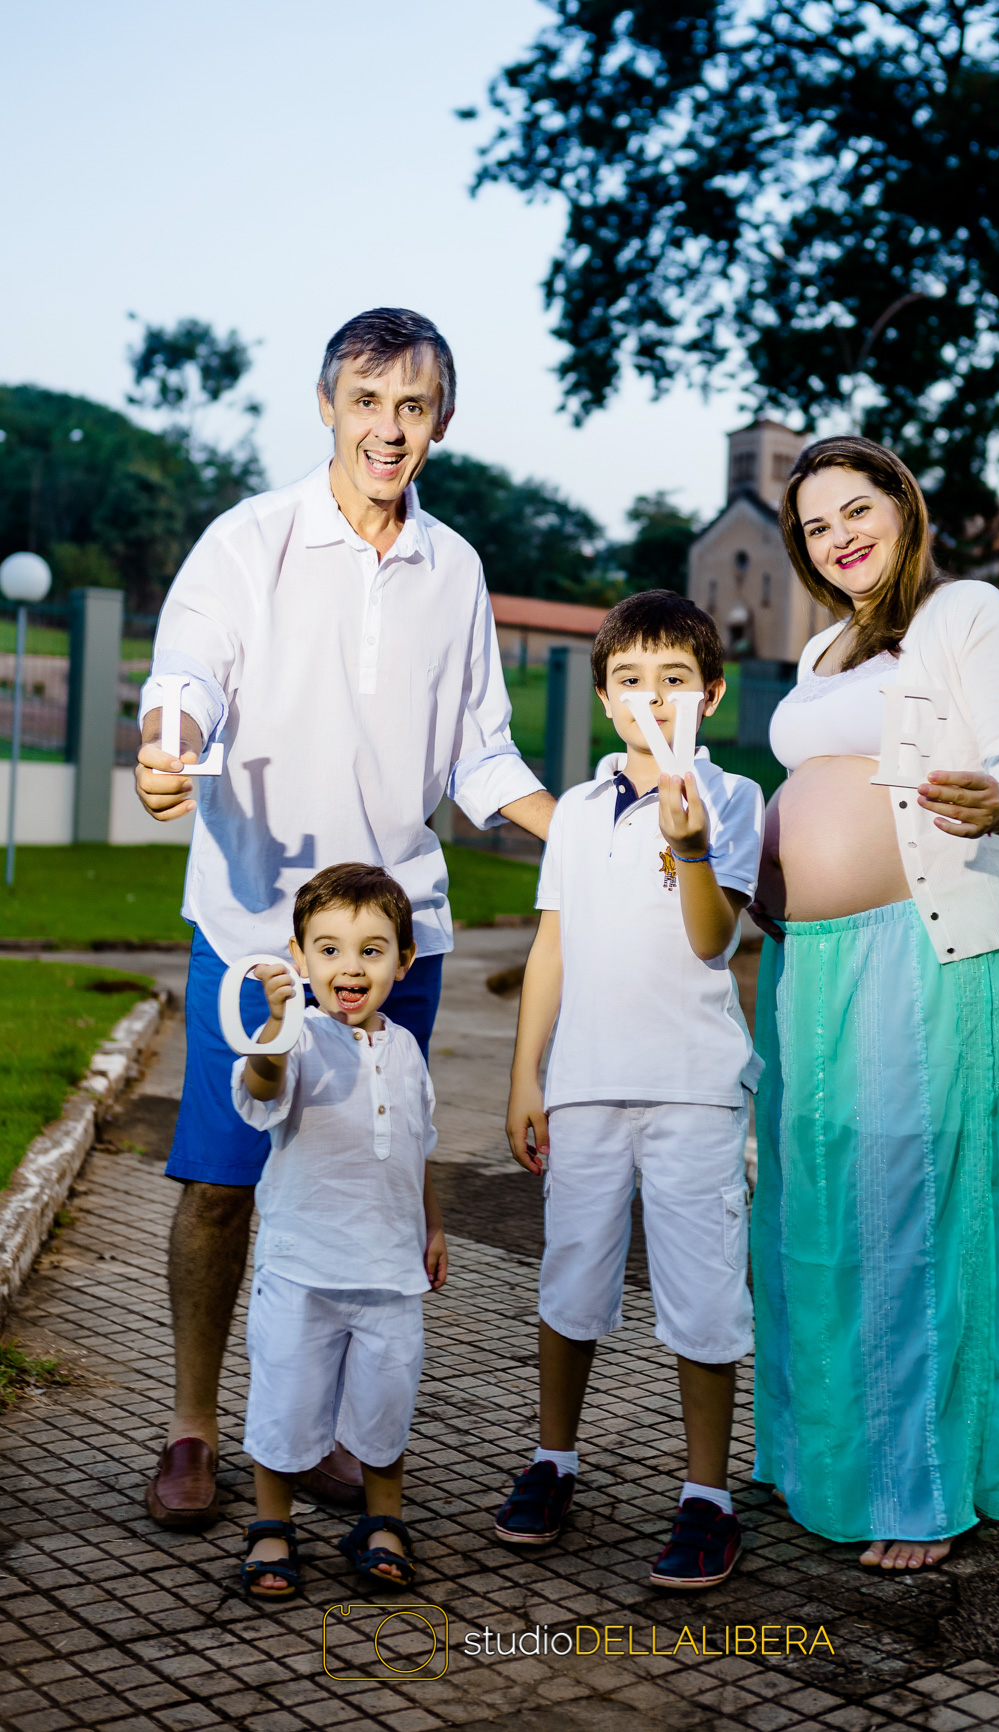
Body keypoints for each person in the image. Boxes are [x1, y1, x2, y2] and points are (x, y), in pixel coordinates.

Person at [134, 308, 555, 1529]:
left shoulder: (455, 569)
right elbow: (186, 677)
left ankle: (315, 1433)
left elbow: (479, 752)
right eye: (367, 400)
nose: (388, 427)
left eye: (412, 405)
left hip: (394, 934)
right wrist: (167, 747)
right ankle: (195, 1427)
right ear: (328, 405)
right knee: (223, 1184)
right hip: (258, 935)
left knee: (365, 1197)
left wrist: (582, 829)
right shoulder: (249, 540)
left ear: (442, 421)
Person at [749, 435, 999, 1570]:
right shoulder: (823, 646)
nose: (838, 536)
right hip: (806, 959)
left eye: (855, 509)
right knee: (810, 1213)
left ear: (902, 505)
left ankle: (916, 1488)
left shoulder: (964, 612)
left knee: (908, 1213)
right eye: (815, 525)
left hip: (918, 948)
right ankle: (819, 1459)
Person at [498, 592, 764, 1589]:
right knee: (570, 1277)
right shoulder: (574, 811)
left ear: (711, 694)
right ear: (606, 699)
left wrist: (688, 843)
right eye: (630, 679)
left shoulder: (735, 799)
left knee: (702, 1291)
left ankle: (707, 1497)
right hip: (585, 1085)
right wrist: (525, 1075)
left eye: (674, 678)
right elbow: (551, 948)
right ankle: (552, 1460)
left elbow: (712, 939)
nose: (652, 697)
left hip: (693, 1088)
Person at [231, 863, 447, 1599]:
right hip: (302, 1270)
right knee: (286, 1402)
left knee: (385, 1407)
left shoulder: (407, 1050)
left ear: (403, 961)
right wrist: (273, 1027)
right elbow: (262, 1086)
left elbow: (417, 1145)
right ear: (298, 957)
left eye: (371, 950)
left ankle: (382, 1521)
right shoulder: (293, 1040)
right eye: (328, 950)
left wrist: (433, 1226)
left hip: (390, 1274)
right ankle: (271, 1525)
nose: (349, 967)